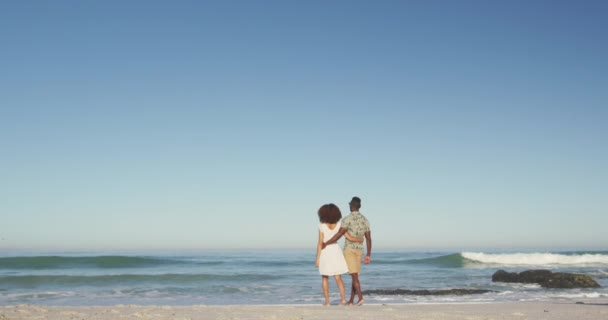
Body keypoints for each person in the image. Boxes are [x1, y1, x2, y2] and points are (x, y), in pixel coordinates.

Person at [322, 196, 371, 306]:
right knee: (355, 276)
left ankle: (361, 298)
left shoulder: (347, 219)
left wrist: (326, 243)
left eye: (350, 205)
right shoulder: (365, 220)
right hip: (360, 250)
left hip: (349, 250)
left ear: (351, 206)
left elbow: (339, 234)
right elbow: (368, 238)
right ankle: (351, 300)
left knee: (354, 276)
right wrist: (368, 254)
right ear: (359, 206)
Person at [315, 203, 363, 306]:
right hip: (335, 251)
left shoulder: (322, 226)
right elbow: (349, 237)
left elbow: (320, 243)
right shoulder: (339, 225)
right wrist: (359, 239)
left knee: (324, 278)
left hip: (325, 252)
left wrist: (317, 259)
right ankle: (343, 300)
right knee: (338, 277)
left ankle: (327, 302)